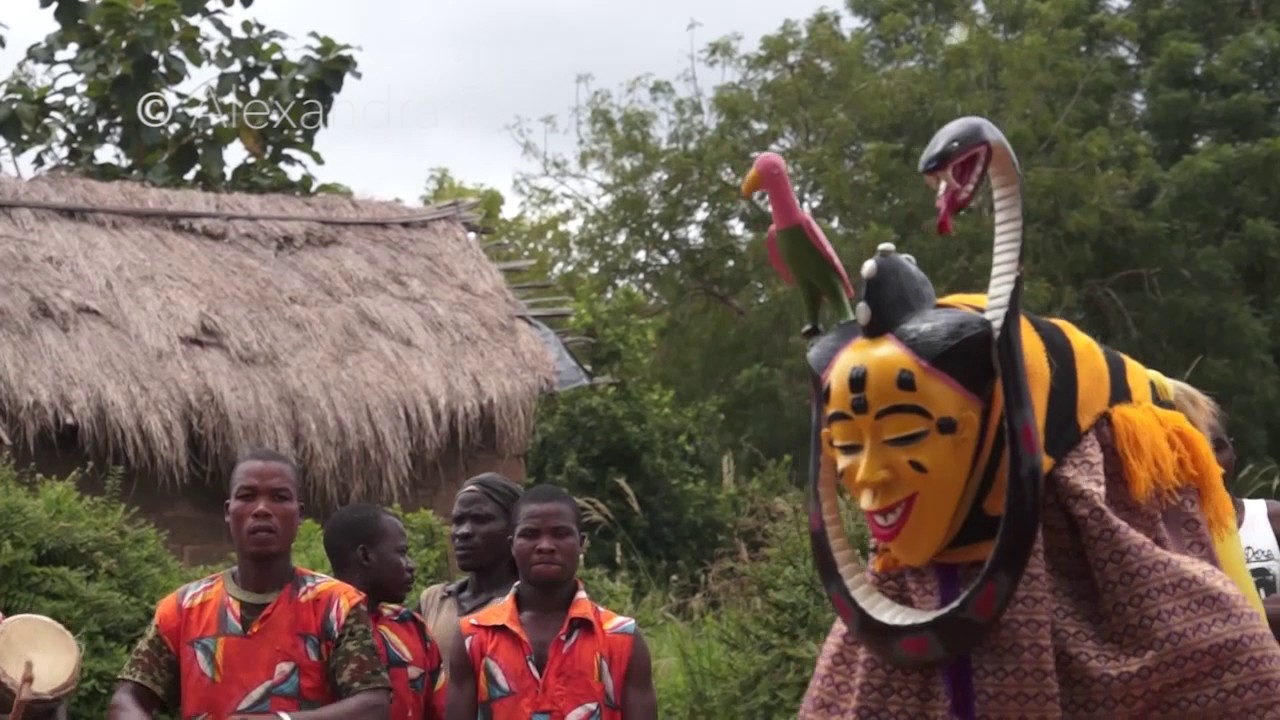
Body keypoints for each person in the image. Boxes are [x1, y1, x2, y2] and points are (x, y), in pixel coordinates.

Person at [796, 114, 1280, 717]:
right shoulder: (864, 667)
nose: (866, 477)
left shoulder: (1206, 657)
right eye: (846, 442)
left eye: (903, 432)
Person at [107, 448, 391, 719]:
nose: (262, 509)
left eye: (279, 497)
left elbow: (372, 705)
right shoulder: (184, 609)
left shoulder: (336, 606)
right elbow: (128, 698)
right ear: (229, 512)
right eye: (247, 496)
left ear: (299, 514)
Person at [445, 484, 658, 719]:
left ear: (581, 543)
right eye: (530, 534)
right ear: (512, 546)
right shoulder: (473, 637)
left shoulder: (622, 639)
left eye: (560, 534)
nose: (545, 546)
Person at [1159, 375, 1280, 635]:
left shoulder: (1271, 519)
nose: (1210, 463)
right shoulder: (1156, 537)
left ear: (1233, 450)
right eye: (1193, 449)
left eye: (1217, 447)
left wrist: (1226, 616)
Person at [323, 504, 446, 719]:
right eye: (401, 552)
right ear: (365, 556)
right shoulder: (318, 626)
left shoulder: (411, 626)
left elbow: (441, 710)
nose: (411, 565)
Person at [419, 473, 522, 670]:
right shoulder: (433, 601)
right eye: (458, 521)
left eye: (480, 520)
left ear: (514, 529)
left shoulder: (526, 605)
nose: (463, 532)